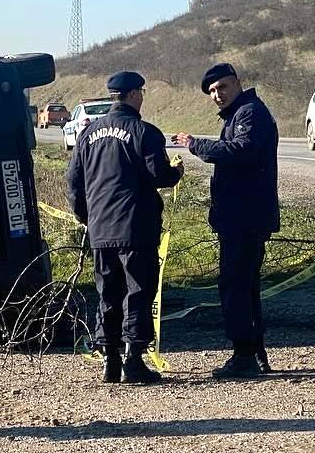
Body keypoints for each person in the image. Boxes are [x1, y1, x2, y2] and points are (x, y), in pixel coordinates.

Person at [66, 71, 183, 385]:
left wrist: (86, 217)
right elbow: (158, 174)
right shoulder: (145, 132)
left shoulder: (87, 135)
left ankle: (109, 360)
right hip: (136, 226)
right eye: (142, 92)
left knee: (107, 292)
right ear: (133, 94)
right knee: (137, 291)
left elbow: (74, 183)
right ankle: (133, 359)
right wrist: (176, 174)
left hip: (100, 229)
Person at [175, 64, 280, 379]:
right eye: (212, 92)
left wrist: (196, 144)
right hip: (240, 216)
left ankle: (244, 355)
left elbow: (240, 150)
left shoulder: (250, 113)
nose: (217, 95)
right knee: (245, 287)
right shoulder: (240, 115)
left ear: (237, 84)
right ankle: (255, 353)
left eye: (222, 87)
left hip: (245, 217)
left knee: (234, 285)